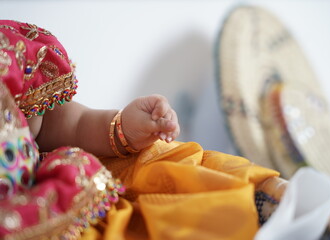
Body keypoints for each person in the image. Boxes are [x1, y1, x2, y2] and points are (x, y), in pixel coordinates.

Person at [0, 20, 280, 240]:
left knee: (170, 170)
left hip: (72, 203)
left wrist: (119, 128)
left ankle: (268, 209)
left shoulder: (7, 53)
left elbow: (52, 123)